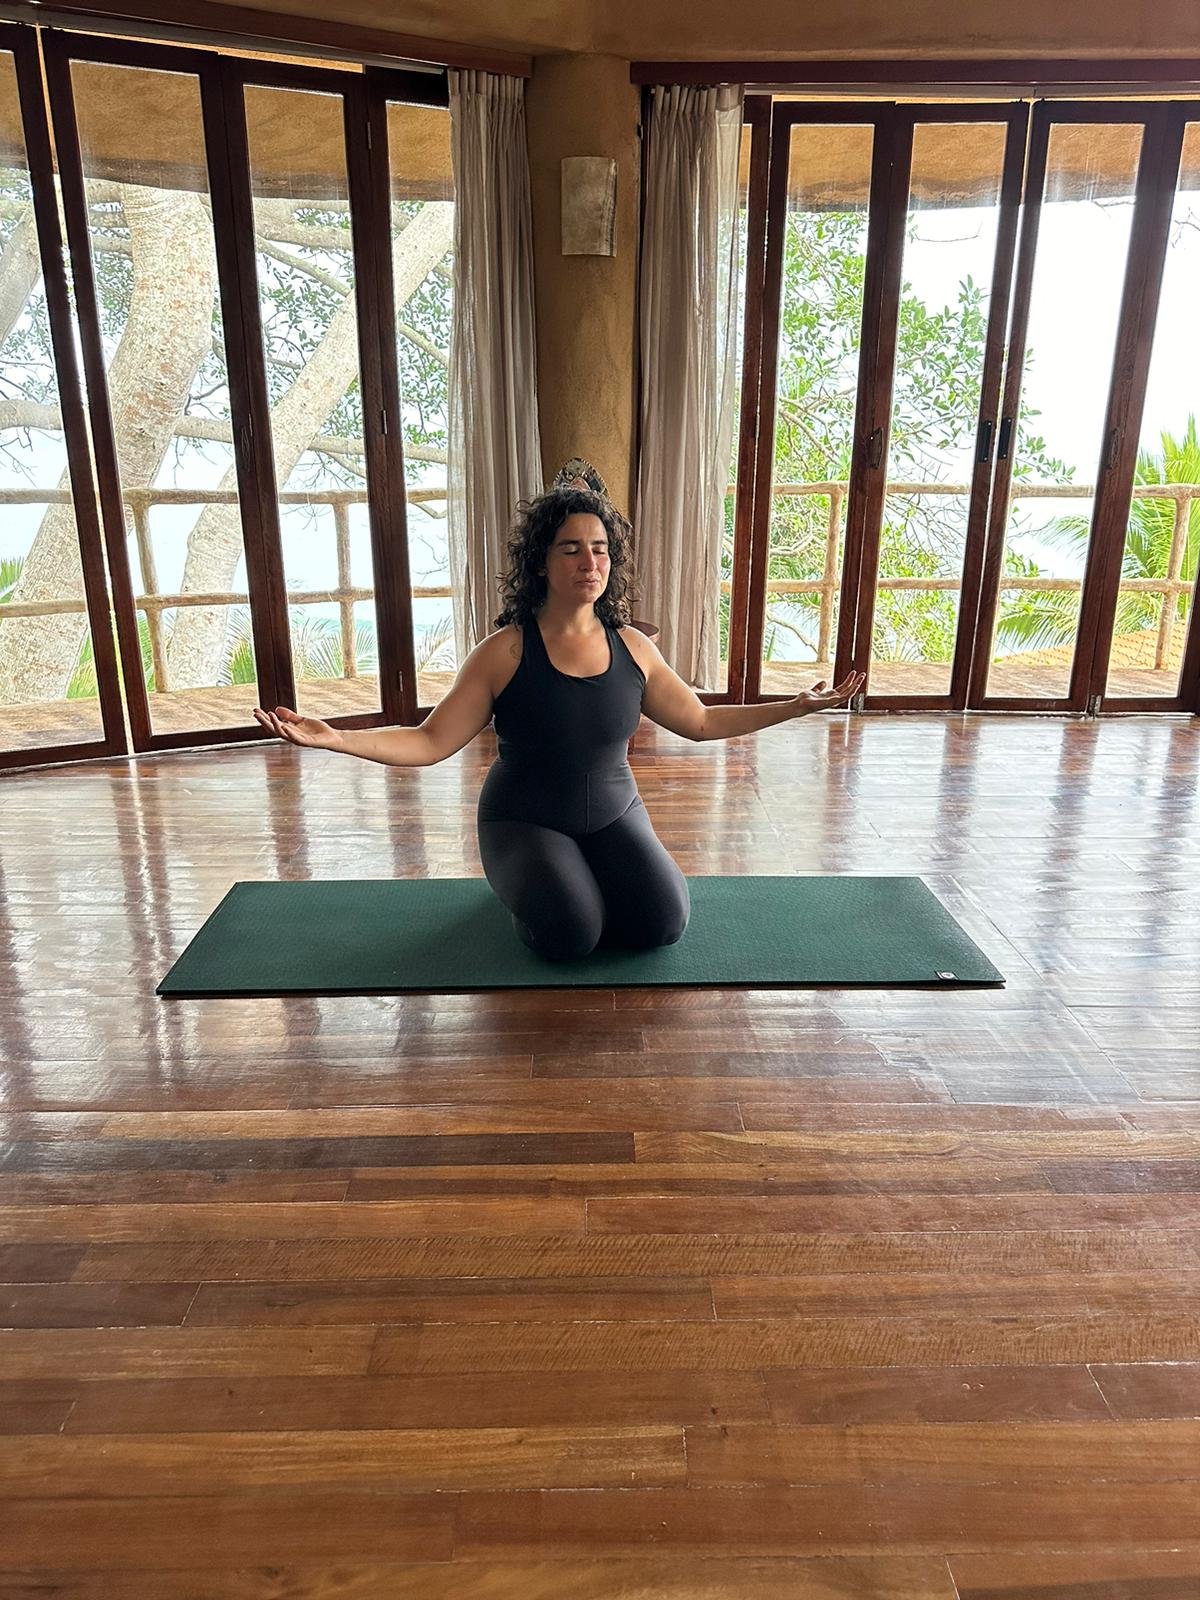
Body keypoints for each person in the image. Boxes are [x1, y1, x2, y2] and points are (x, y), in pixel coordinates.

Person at [254, 487, 864, 962]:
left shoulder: (634, 647)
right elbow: (430, 740)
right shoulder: (505, 651)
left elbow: (700, 721)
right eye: (570, 548)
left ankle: (582, 875)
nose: (589, 561)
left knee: (662, 925)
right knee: (572, 936)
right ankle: (533, 887)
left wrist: (793, 707)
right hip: (524, 820)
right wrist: (337, 739)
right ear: (541, 563)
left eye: (599, 549)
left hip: (615, 814)